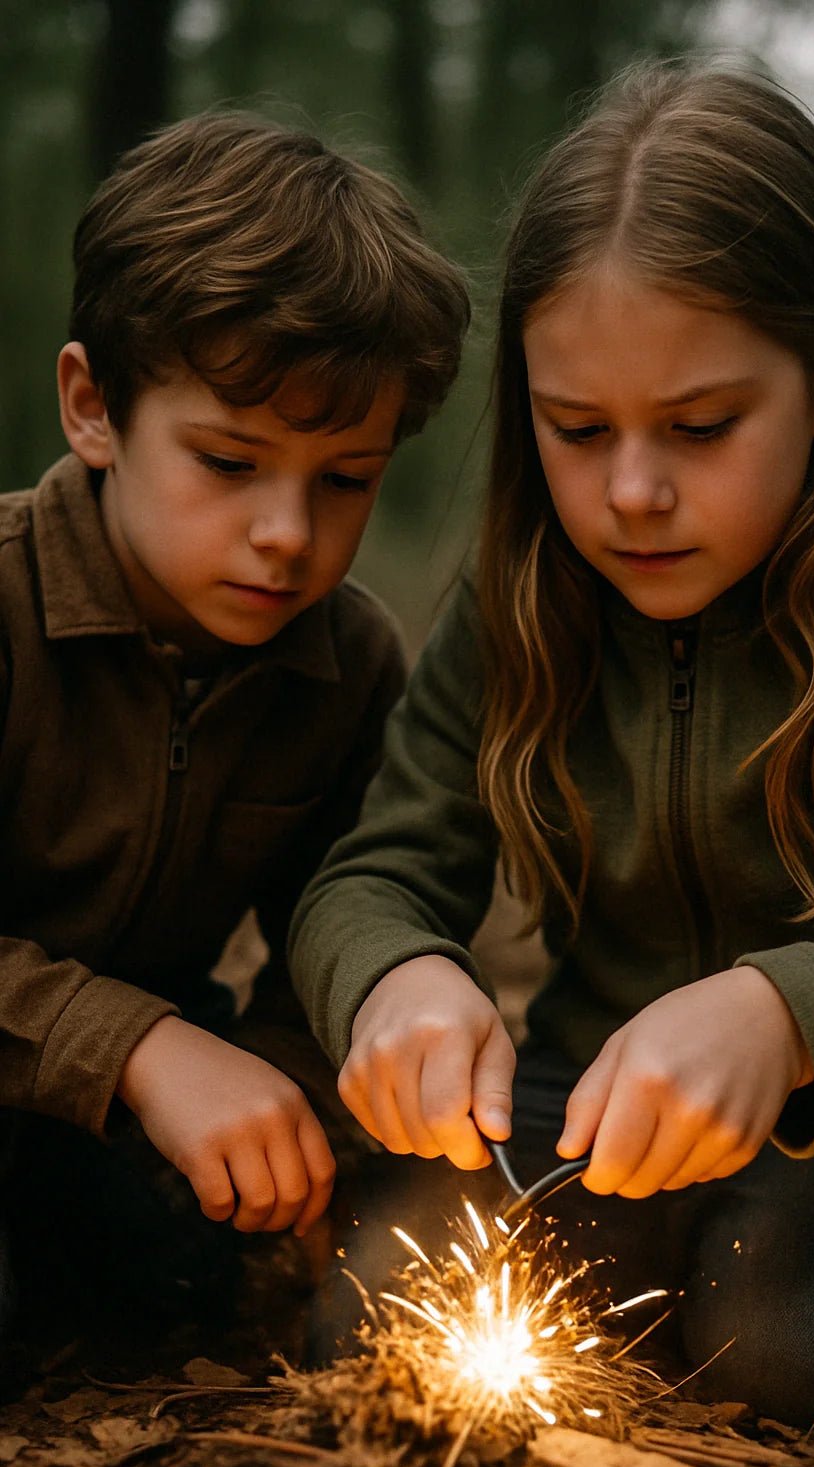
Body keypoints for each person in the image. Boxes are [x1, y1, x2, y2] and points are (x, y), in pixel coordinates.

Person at [288, 64, 814, 1427]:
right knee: (382, 1320)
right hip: (578, 1103)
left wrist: (796, 1018)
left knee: (810, 1353)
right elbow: (371, 873)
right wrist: (395, 979)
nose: (632, 492)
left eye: (699, 427)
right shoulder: (524, 597)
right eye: (577, 430)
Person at [0, 109, 469, 1367]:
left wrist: (278, 1085)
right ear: (93, 408)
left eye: (345, 478)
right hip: (73, 1051)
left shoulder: (347, 664)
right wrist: (137, 1049)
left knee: (193, 1296)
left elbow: (344, 925)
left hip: (141, 1092)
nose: (287, 534)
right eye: (228, 460)